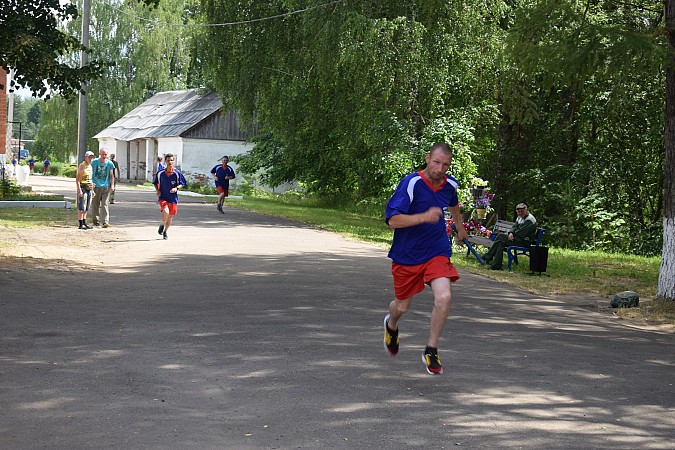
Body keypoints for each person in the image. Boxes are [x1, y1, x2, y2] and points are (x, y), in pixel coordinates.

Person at [383, 142, 468, 375]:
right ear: (428, 158)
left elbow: (454, 206)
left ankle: (431, 349)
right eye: (437, 162)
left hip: (436, 251)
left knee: (444, 296)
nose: (440, 169)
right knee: (402, 306)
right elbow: (392, 221)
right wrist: (423, 217)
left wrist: (460, 228)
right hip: (407, 255)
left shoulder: (450, 185)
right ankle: (391, 325)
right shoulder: (411, 184)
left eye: (446, 165)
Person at [483, 203, 537, 270]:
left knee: (501, 236)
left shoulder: (529, 220)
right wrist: (511, 232)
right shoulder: (520, 217)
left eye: (522, 211)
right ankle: (496, 266)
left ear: (526, 210)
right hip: (517, 238)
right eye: (518, 212)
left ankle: (488, 256)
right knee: (500, 243)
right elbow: (514, 226)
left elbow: (521, 233)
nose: (520, 213)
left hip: (524, 241)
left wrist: (511, 234)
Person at [152, 153, 186, 240]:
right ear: (165, 161)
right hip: (163, 196)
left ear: (174, 161)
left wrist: (176, 188)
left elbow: (182, 183)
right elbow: (155, 183)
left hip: (173, 198)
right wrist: (157, 191)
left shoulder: (177, 173)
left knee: (170, 216)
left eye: (171, 160)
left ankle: (165, 232)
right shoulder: (160, 173)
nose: (170, 162)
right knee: (166, 211)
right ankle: (162, 224)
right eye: (168, 160)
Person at [90, 149, 115, 228]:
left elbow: (111, 175)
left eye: (105, 154)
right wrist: (90, 183)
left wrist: (112, 185)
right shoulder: (94, 162)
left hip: (106, 186)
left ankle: (105, 221)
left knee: (105, 204)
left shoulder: (109, 163)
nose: (104, 156)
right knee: (95, 204)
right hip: (96, 186)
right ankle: (96, 221)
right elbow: (90, 172)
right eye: (103, 154)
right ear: (100, 154)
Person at [75, 151, 95, 229]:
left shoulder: (90, 166)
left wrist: (93, 190)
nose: (90, 159)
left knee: (87, 206)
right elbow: (77, 179)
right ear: (85, 157)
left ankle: (84, 222)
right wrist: (79, 190)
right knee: (82, 207)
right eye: (89, 157)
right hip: (83, 187)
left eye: (92, 157)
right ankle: (80, 223)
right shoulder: (82, 166)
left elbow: (90, 179)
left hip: (89, 187)